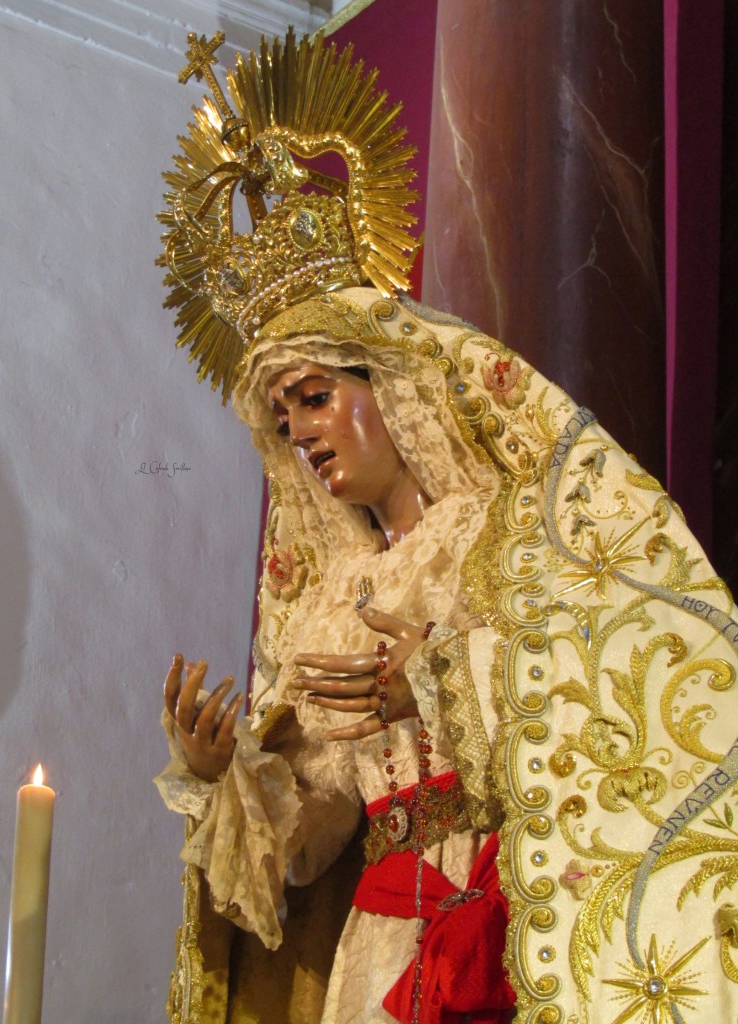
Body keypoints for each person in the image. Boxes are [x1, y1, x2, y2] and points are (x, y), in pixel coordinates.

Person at [156, 29, 738, 1024]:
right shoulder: (333, 599)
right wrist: (225, 780)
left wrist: (435, 679)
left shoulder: (506, 533)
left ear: (390, 387)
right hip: (377, 953)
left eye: (315, 397)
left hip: (512, 917)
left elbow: (619, 678)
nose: (302, 435)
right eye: (285, 421)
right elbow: (315, 840)